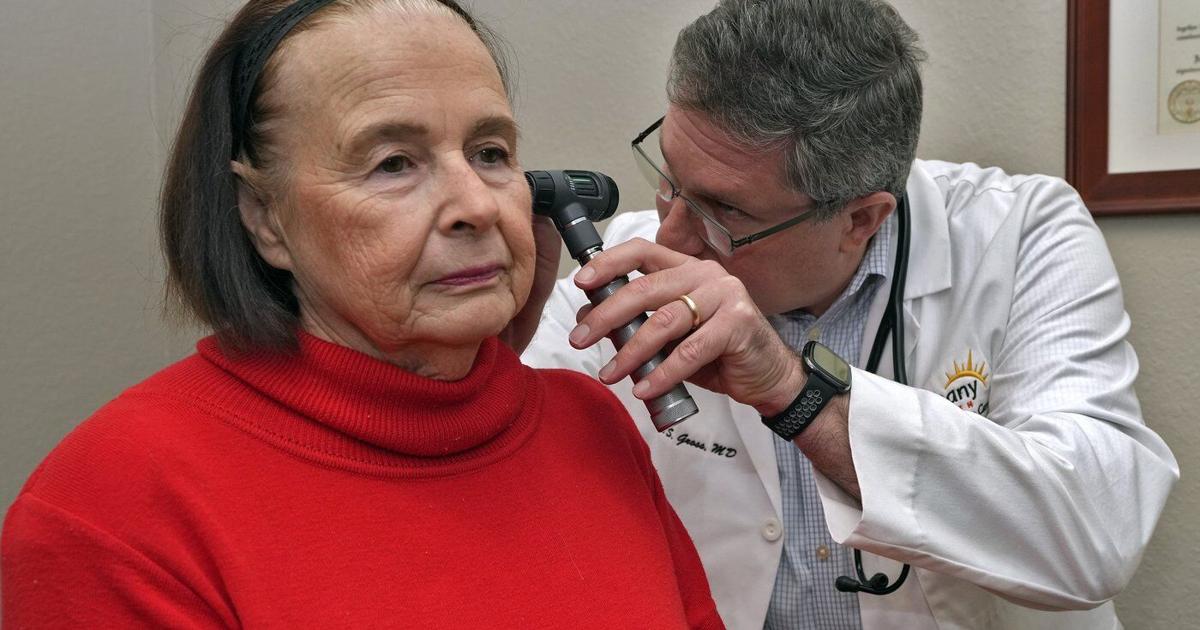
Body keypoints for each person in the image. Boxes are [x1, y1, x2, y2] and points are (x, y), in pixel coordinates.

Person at [0, 1, 725, 628]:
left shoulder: (590, 424)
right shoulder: (114, 506)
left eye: (489, 152)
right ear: (264, 218)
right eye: (393, 164)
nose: (477, 205)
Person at [521, 0, 1180, 628]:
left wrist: (795, 394)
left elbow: (1095, 538)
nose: (671, 237)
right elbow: (517, 461)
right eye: (669, 178)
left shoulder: (1021, 233)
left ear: (861, 219)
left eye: (726, 212)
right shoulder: (620, 272)